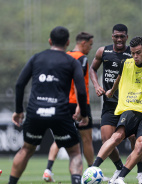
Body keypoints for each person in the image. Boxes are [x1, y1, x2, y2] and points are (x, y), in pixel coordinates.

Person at [9, 26, 88, 184]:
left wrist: (19, 111)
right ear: (67, 42)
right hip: (59, 113)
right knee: (74, 152)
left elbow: (19, 85)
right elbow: (81, 91)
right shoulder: (72, 62)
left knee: (26, 149)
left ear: (50, 41)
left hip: (35, 112)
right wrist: (83, 113)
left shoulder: (36, 58)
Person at [90, 36, 142, 184]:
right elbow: (118, 78)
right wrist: (112, 91)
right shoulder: (126, 63)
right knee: (115, 138)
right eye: (133, 53)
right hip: (130, 109)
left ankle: (121, 177)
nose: (135, 56)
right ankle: (92, 169)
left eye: (138, 53)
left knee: (140, 143)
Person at [89, 24, 142, 184]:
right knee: (106, 139)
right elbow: (92, 69)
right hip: (109, 104)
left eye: (122, 36)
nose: (119, 39)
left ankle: (141, 172)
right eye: (116, 36)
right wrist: (96, 86)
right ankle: (119, 168)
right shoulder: (103, 51)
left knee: (134, 138)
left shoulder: (133, 53)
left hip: (129, 104)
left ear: (127, 37)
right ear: (112, 36)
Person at [43, 32, 94, 182]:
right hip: (79, 102)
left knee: (59, 138)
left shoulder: (64, 56)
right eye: (90, 45)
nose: (90, 48)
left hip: (62, 102)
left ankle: (48, 169)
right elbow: (79, 84)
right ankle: (91, 171)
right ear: (83, 43)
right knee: (87, 139)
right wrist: (80, 105)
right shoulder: (82, 58)